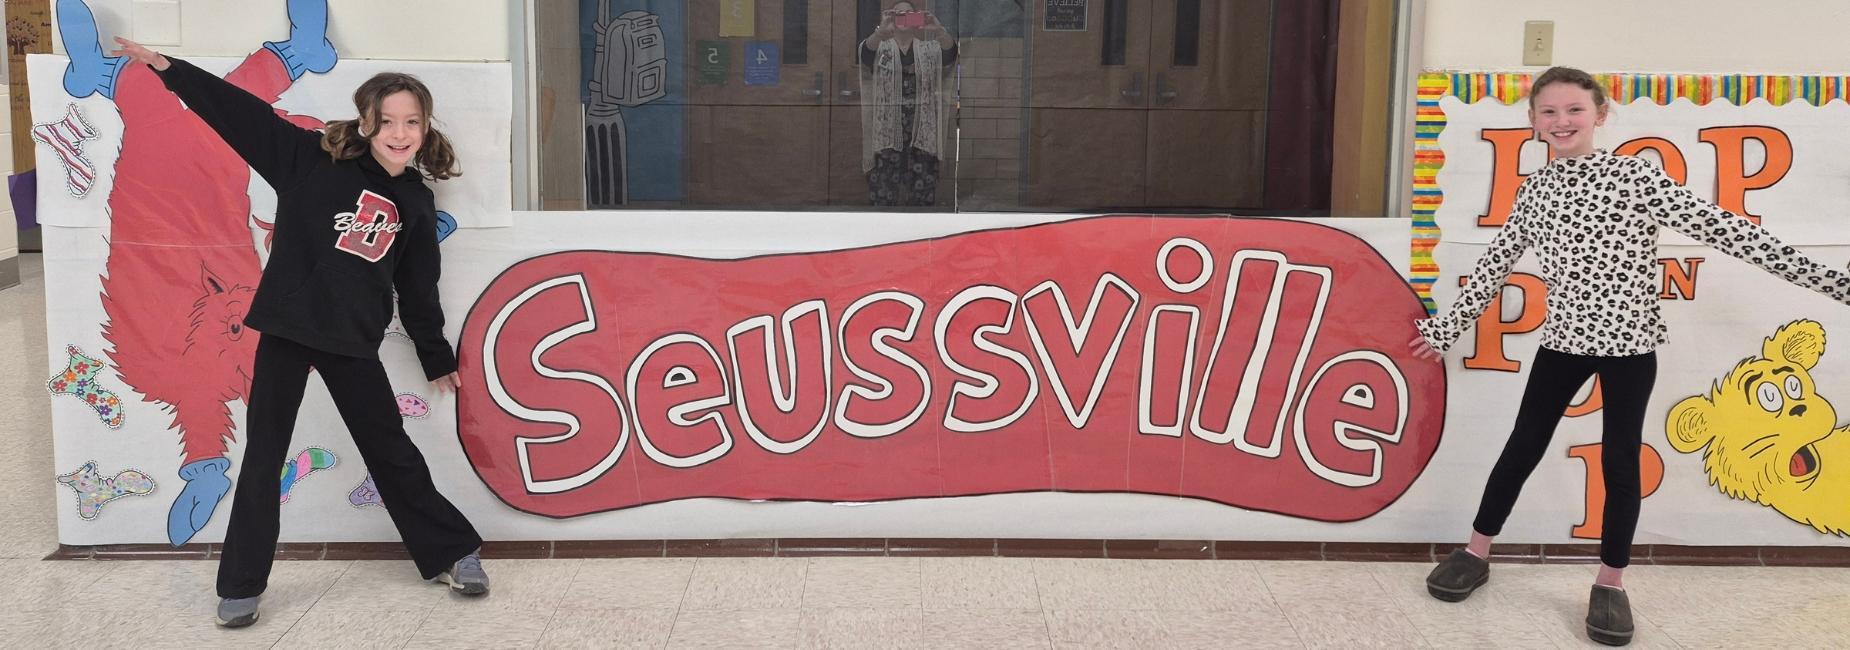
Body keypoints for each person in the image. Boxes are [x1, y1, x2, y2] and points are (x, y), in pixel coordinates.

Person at [1411, 66, 1850, 647]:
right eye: (1548, 112)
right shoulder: (1536, 189)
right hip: (1562, 344)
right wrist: (1447, 329)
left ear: (1600, 113)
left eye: (1573, 109)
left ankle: (1611, 582)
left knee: (1621, 463)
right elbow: (1497, 262)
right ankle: (1476, 551)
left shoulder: (1636, 177)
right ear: (1533, 122)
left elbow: (1731, 232)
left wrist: (1833, 282)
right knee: (1522, 447)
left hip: (1629, 348)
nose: (1561, 121)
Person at [110, 37, 491, 629]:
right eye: (386, 120)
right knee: (263, 458)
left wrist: (435, 353)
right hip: (287, 331)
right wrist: (171, 70)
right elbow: (238, 113)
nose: (399, 132)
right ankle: (240, 585)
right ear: (365, 123)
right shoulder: (308, 160)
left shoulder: (415, 200)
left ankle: (450, 551)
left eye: (410, 121)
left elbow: (419, 291)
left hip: (351, 341)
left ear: (423, 128)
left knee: (391, 452)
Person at [860, 0, 957, 207]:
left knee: (921, 196)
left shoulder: (929, 50)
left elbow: (950, 55)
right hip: (887, 133)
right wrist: (880, 31)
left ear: (916, 20)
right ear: (890, 19)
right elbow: (864, 56)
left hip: (922, 133)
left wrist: (938, 29)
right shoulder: (881, 49)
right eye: (897, 14)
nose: (902, 17)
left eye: (908, 14)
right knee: (884, 195)